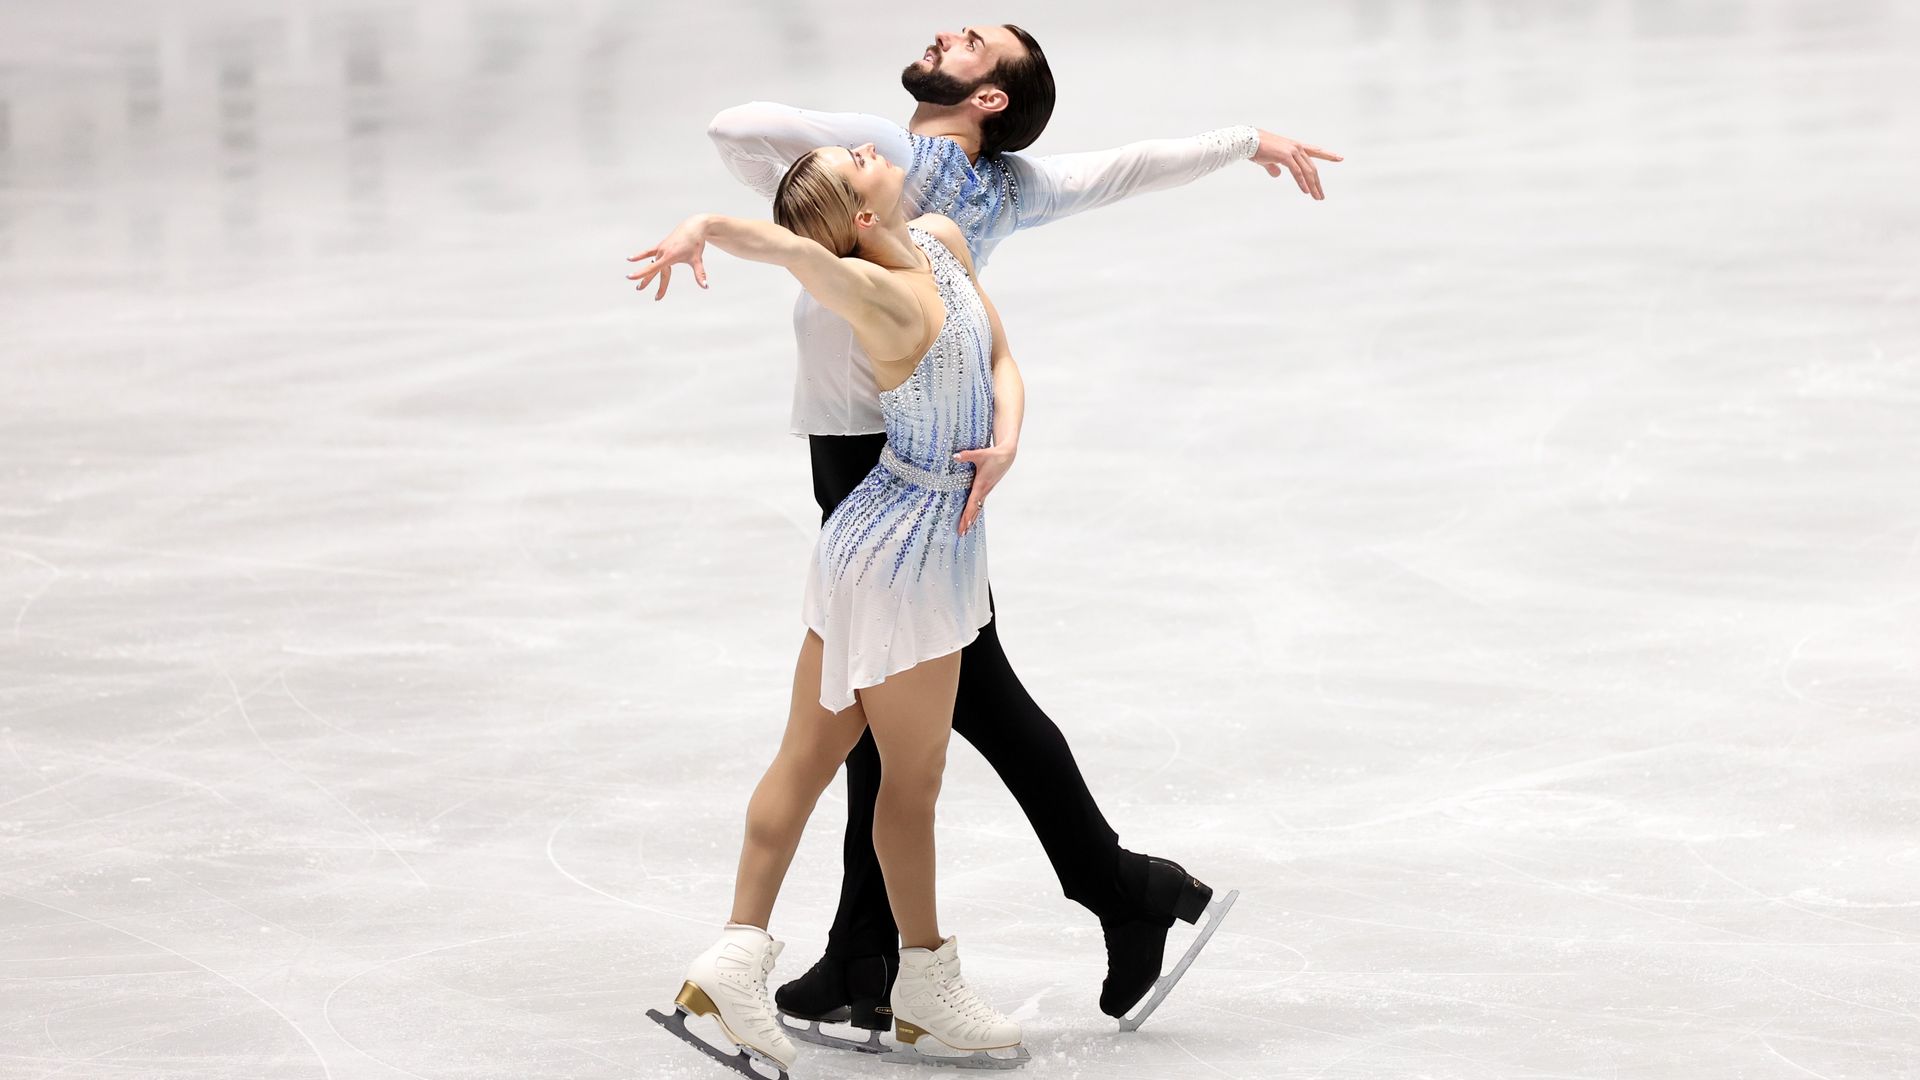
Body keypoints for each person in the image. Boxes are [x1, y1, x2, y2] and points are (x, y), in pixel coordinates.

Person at [703, 22, 1341, 1040]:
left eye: (970, 44)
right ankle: (878, 949)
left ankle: (1111, 887)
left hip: (893, 465)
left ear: (990, 98)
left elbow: (741, 133)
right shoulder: (964, 191)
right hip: (910, 446)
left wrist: (856, 144)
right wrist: (1244, 139)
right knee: (903, 708)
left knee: (943, 703)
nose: (945, 31)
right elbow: (1123, 169)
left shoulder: (898, 171)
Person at [628, 139, 1032, 1077]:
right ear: (859, 217)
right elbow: (798, 256)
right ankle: (925, 990)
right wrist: (706, 227)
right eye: (859, 163)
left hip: (889, 535)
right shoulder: (881, 297)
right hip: (910, 560)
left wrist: (1005, 445)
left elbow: (1004, 356)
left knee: (812, 757)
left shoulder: (939, 241)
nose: (873, 150)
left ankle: (735, 958)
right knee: (910, 781)